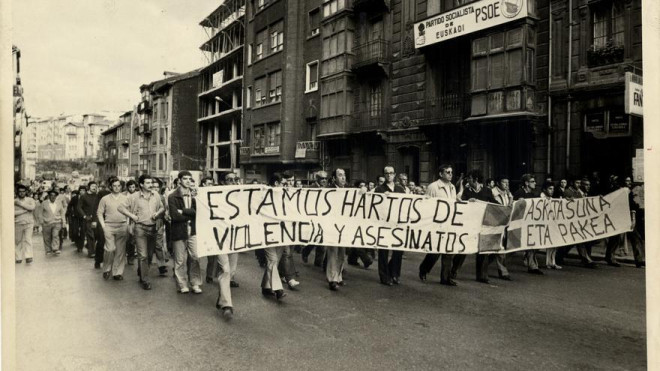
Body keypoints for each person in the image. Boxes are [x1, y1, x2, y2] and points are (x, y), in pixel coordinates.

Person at [418, 164, 464, 286]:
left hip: (450, 223)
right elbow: (426, 205)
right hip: (437, 224)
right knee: (435, 251)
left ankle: (445, 278)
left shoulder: (453, 187)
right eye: (448, 172)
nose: (450, 174)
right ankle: (424, 268)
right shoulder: (433, 187)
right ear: (441, 174)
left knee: (449, 251)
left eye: (451, 172)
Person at [118, 175, 165, 290]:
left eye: (151, 182)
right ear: (141, 185)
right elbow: (120, 207)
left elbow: (162, 207)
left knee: (149, 256)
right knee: (143, 255)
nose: (151, 185)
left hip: (153, 228)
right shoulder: (134, 197)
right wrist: (132, 216)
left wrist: (157, 213)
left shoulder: (156, 195)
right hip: (140, 228)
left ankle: (141, 270)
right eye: (148, 183)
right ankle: (145, 280)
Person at [168, 171, 203, 294]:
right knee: (180, 260)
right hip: (179, 231)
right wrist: (189, 214)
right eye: (185, 179)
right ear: (180, 181)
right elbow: (174, 216)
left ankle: (195, 283)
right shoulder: (172, 196)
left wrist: (183, 211)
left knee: (195, 257)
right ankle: (182, 284)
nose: (188, 181)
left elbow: (198, 213)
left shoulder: (195, 196)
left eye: (190, 179)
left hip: (192, 231)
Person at [461, 171, 497, 284]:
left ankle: (482, 275)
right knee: (463, 249)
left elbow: (494, 203)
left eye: (470, 179)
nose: (468, 181)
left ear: (476, 179)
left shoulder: (487, 190)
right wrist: (467, 202)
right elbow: (462, 205)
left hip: (483, 224)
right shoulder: (466, 191)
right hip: (470, 225)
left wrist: (507, 207)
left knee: (483, 251)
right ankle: (454, 271)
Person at [374, 166, 406, 286]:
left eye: (391, 173)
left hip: (397, 223)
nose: (389, 175)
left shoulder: (400, 189)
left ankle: (395, 274)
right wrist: (383, 198)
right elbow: (375, 206)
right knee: (384, 251)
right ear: (384, 175)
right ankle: (384, 276)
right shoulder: (379, 189)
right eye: (386, 173)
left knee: (398, 250)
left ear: (394, 174)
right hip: (384, 224)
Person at [556, 178, 598, 269]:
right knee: (577, 240)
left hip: (579, 222)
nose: (579, 184)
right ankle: (586, 259)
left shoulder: (579, 192)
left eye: (580, 183)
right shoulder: (568, 192)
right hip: (571, 222)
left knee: (572, 242)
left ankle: (559, 257)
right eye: (577, 183)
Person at [260, 173, 287, 300]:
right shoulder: (263, 194)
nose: (285, 186)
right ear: (276, 184)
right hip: (268, 232)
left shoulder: (286, 196)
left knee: (275, 261)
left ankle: (266, 286)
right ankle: (278, 289)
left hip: (282, 233)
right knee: (273, 260)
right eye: (283, 183)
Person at [97, 177, 129, 280]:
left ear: (121, 186)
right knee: (109, 249)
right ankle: (107, 269)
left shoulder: (125, 198)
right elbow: (99, 213)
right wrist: (103, 225)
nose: (117, 188)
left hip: (122, 226)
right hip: (109, 226)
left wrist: (127, 224)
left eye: (119, 186)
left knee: (120, 250)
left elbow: (130, 212)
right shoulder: (105, 199)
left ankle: (117, 272)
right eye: (114, 186)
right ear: (110, 187)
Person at [513, 174, 544, 275]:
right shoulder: (519, 193)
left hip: (530, 224)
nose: (535, 183)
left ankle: (532, 266)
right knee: (510, 248)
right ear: (526, 183)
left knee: (534, 244)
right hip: (519, 224)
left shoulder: (533, 194)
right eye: (532, 181)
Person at [301, 171, 328, 267]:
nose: (324, 181)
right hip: (314, 216)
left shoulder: (327, 189)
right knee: (315, 237)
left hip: (324, 217)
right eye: (322, 179)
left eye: (325, 179)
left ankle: (318, 262)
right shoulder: (311, 188)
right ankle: (305, 251)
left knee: (322, 239)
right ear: (317, 179)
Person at [77, 181, 104, 268]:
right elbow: (79, 207)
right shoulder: (84, 196)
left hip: (98, 218)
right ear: (88, 187)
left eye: (96, 186)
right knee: (90, 235)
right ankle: (91, 252)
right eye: (92, 186)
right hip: (88, 219)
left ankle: (90, 247)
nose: (94, 187)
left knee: (98, 236)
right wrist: (85, 216)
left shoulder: (98, 196)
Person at [491, 175, 513, 280]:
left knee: (501, 247)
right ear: (498, 183)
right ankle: (503, 272)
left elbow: (510, 206)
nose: (507, 185)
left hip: (504, 223)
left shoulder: (508, 193)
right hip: (495, 223)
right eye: (504, 182)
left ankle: (501, 269)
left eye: (508, 183)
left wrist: (510, 197)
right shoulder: (493, 193)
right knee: (499, 247)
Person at [36, 189, 66, 256]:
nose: (53, 197)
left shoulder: (59, 203)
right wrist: (41, 222)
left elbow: (62, 212)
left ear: (56, 196)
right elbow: (40, 213)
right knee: (47, 237)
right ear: (49, 196)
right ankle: (48, 250)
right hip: (46, 223)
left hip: (57, 222)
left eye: (54, 195)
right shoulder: (44, 203)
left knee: (55, 235)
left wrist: (63, 221)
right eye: (51, 195)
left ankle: (55, 249)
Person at [539, 181, 561, 270]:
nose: (552, 191)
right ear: (544, 189)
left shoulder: (551, 199)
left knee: (553, 243)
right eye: (550, 189)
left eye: (553, 189)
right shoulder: (540, 198)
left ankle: (552, 262)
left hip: (551, 223)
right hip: (542, 224)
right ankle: (548, 262)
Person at [15, 184, 36, 264]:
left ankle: (28, 256)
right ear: (17, 192)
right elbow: (12, 212)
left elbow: (32, 208)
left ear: (26, 192)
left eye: (23, 192)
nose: (21, 193)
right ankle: (18, 257)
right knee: (17, 241)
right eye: (20, 192)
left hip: (29, 223)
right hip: (18, 222)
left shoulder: (30, 200)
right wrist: (24, 211)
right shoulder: (14, 200)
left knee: (28, 239)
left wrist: (20, 204)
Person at [124, 180, 138, 265]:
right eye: (130, 187)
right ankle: (127, 254)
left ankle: (131, 256)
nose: (132, 189)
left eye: (133, 187)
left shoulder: (138, 195)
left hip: (135, 219)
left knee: (132, 239)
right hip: (126, 219)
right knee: (126, 239)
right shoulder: (124, 195)